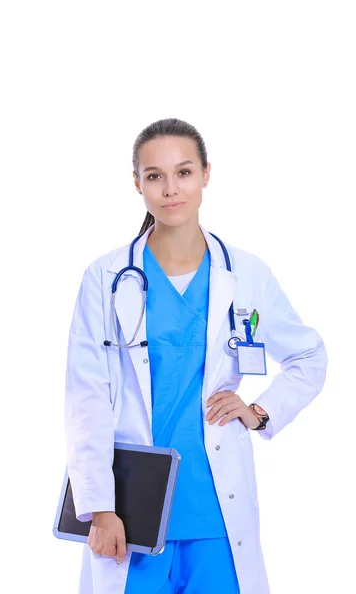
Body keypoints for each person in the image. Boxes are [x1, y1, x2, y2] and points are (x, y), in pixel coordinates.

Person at [64, 118, 328, 594]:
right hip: (133, 513)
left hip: (215, 511)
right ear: (137, 183)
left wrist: (260, 411)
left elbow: (309, 356)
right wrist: (98, 507)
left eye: (183, 172)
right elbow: (85, 398)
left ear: (206, 174)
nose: (170, 190)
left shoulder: (245, 273)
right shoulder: (105, 277)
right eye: (154, 176)